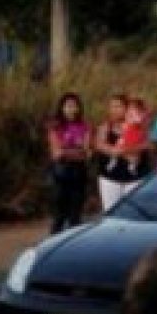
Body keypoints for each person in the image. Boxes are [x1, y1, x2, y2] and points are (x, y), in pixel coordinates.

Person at [94, 94, 152, 210]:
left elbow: (148, 145)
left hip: (135, 177)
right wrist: (116, 151)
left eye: (119, 107)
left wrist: (125, 150)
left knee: (134, 211)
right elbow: (100, 145)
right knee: (111, 210)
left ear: (127, 108)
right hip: (111, 178)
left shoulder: (139, 127)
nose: (115, 110)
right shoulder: (105, 127)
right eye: (112, 107)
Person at [46, 93, 91, 233]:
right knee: (59, 214)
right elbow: (57, 153)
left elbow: (87, 152)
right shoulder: (55, 127)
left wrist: (68, 151)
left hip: (79, 173)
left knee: (75, 215)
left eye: (74, 106)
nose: (71, 109)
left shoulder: (85, 126)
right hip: (61, 174)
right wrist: (76, 151)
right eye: (68, 106)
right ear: (62, 108)